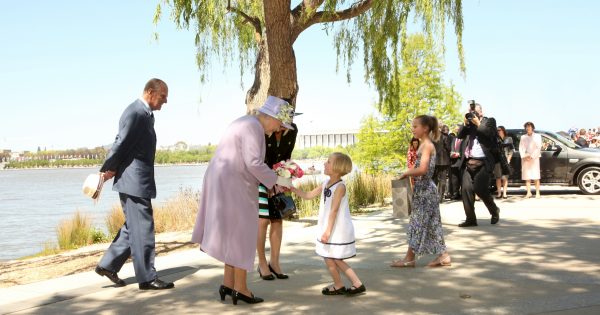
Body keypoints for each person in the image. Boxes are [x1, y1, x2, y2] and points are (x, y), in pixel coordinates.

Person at [191, 95, 293, 305]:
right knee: (242, 234)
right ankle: (242, 289)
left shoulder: (244, 122)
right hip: (232, 182)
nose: (278, 129)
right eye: (280, 124)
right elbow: (254, 163)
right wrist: (278, 180)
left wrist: (272, 182)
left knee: (232, 234)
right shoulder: (253, 127)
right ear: (272, 116)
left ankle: (228, 284)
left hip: (224, 178)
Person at [95, 78, 174, 290]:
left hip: (137, 180)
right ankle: (147, 278)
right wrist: (106, 170)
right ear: (150, 92)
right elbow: (121, 142)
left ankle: (108, 265)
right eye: (163, 96)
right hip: (134, 181)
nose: (165, 102)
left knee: (134, 227)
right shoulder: (136, 112)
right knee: (144, 228)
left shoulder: (145, 114)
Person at [291, 152, 366, 296]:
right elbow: (308, 195)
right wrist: (292, 188)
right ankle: (339, 285)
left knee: (335, 258)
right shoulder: (326, 183)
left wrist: (327, 232)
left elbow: (334, 211)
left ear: (337, 167)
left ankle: (357, 283)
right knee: (329, 257)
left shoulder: (340, 187)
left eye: (328, 162)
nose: (324, 164)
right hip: (329, 226)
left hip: (337, 229)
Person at [391, 115, 451, 268]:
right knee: (432, 224)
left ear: (425, 128)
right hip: (424, 189)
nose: (413, 129)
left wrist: (407, 172)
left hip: (425, 190)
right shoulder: (424, 144)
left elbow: (423, 169)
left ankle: (409, 258)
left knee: (417, 224)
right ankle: (443, 255)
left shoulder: (427, 146)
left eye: (415, 126)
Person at [256, 121, 298, 281]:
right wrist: (268, 181)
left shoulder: (293, 130)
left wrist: (286, 177)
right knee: (262, 221)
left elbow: (287, 157)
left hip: (279, 177)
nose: (282, 125)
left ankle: (274, 262)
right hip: (259, 176)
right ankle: (262, 263)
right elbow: (258, 158)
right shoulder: (265, 128)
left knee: (277, 219)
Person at [456, 102, 501, 227]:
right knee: (465, 190)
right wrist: (465, 123)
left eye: (475, 112)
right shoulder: (468, 125)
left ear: (481, 112)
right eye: (471, 112)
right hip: (468, 161)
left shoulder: (489, 121)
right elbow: (459, 135)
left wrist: (478, 124)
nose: (473, 114)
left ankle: (494, 210)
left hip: (483, 162)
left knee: (480, 190)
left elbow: (489, 134)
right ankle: (470, 219)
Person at [519, 122, 542, 198]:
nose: (528, 128)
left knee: (536, 175)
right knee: (527, 176)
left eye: (529, 126)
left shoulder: (537, 136)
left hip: (534, 158)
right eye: (526, 127)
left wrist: (531, 156)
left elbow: (538, 148)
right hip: (525, 159)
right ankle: (528, 192)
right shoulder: (523, 137)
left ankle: (537, 193)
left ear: (532, 127)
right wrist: (524, 155)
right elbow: (521, 148)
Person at [494, 126, 514, 199]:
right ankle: (499, 193)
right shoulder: (495, 139)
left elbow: (511, 150)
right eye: (497, 130)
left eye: (499, 130)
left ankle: (505, 193)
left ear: (503, 130)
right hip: (497, 160)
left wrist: (509, 158)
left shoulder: (508, 139)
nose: (498, 131)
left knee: (505, 177)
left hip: (505, 160)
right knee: (498, 177)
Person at [433, 125, 451, 202]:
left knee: (434, 179)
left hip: (435, 161)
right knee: (443, 180)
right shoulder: (445, 137)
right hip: (444, 161)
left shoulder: (433, 136)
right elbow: (448, 147)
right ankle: (440, 198)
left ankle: (433, 196)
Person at [447, 124, 463, 200]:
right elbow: (451, 148)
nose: (456, 130)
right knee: (454, 179)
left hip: (461, 162)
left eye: (457, 129)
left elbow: (465, 149)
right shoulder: (454, 139)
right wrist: (452, 154)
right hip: (453, 162)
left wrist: (459, 154)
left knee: (462, 179)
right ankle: (455, 194)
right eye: (455, 129)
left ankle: (464, 194)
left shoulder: (464, 138)